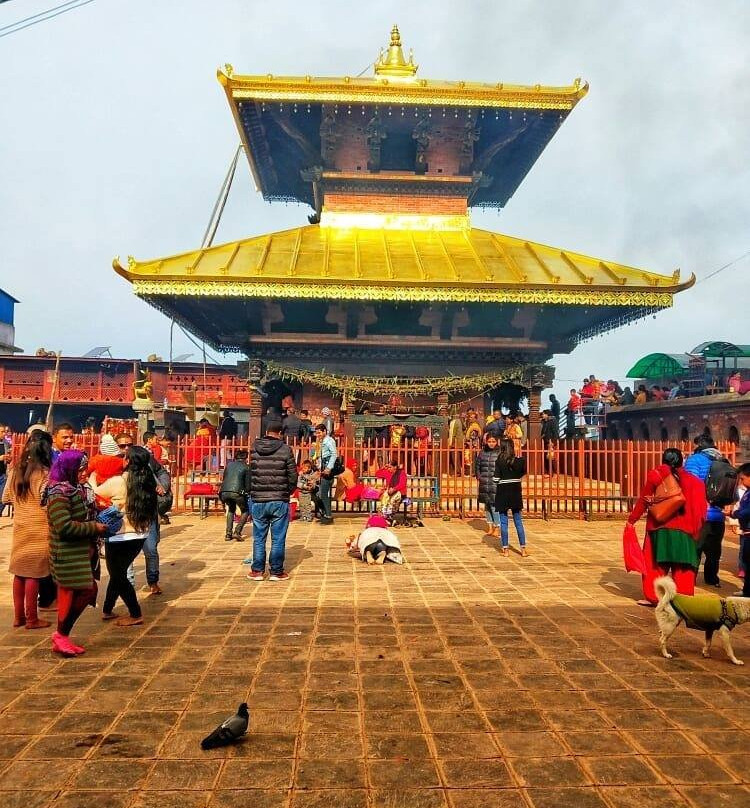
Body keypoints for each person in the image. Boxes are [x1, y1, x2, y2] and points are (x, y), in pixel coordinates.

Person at [46, 450, 109, 655]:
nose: (84, 473)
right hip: (67, 554)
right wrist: (93, 527)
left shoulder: (75, 489)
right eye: (80, 469)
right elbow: (63, 526)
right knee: (86, 591)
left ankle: (62, 635)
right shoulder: (59, 493)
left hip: (79, 553)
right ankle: (61, 634)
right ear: (69, 470)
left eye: (85, 469)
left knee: (79, 592)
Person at [628, 447, 707, 606]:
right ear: (682, 461)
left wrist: (632, 520)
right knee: (684, 567)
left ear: (663, 460)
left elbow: (644, 500)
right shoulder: (696, 482)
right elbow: (701, 510)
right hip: (685, 531)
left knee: (655, 566)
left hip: (659, 528)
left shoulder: (656, 476)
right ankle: (684, 600)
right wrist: (697, 530)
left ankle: (653, 596)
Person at [94, 446, 157, 625]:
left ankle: (135, 613)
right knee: (118, 572)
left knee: (118, 575)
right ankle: (107, 609)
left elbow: (95, 493)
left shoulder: (118, 482)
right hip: (139, 534)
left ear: (128, 461)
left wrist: (92, 478)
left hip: (119, 535)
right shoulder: (148, 482)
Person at [3, 430, 53, 629]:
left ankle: (18, 617)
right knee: (34, 574)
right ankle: (32, 618)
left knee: (20, 572)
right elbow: (46, 502)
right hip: (40, 527)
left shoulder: (16, 470)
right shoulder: (44, 474)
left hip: (20, 527)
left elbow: (5, 498)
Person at [246, 419, 298, 582]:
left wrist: (252, 492)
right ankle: (276, 571)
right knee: (278, 537)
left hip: (258, 499)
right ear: (280, 433)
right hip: (279, 500)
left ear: (266, 431)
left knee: (259, 537)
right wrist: (286, 492)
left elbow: (250, 473)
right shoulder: (285, 450)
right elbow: (292, 476)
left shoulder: (254, 448)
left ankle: (257, 571)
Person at [684, 434, 728, 587]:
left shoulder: (694, 460)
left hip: (700, 513)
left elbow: (689, 485)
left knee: (695, 548)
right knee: (714, 551)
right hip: (718, 515)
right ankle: (712, 579)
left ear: (700, 444)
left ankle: (689, 578)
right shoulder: (723, 460)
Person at [493, 438, 528, 557]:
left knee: (503, 522)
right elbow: (523, 473)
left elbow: (495, 479)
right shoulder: (520, 460)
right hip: (515, 492)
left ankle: (506, 550)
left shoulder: (499, 461)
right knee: (518, 521)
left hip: (502, 492)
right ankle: (523, 549)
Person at [219, 449, 251, 541]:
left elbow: (225, 478)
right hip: (237, 492)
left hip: (224, 492)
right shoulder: (246, 467)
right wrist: (247, 492)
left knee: (231, 510)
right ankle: (237, 531)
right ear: (246, 458)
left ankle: (228, 534)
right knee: (245, 511)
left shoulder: (229, 465)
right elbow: (248, 484)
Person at [475, 434, 501, 537]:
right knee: (487, 506)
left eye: (493, 441)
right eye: (489, 441)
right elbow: (477, 466)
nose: (491, 444)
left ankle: (497, 527)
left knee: (494, 506)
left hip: (495, 482)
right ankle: (490, 527)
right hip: (484, 481)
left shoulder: (499, 453)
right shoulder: (482, 453)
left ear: (496, 442)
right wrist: (479, 476)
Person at [314, 423, 337, 525]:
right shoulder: (321, 441)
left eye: (319, 432)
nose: (317, 435)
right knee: (321, 493)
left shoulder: (329, 441)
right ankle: (325, 514)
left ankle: (328, 515)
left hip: (328, 469)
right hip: (323, 468)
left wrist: (329, 467)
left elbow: (334, 454)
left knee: (324, 494)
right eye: (316, 433)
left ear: (324, 431)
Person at [733, 465, 750, 597]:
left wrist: (736, 513)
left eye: (743, 478)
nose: (741, 482)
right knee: (746, 563)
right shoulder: (747, 493)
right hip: (746, 531)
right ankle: (747, 591)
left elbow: (746, 511)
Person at [540, 409, 559, 474]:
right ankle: (549, 471)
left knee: (551, 457)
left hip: (551, 441)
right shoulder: (545, 422)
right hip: (546, 441)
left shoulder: (553, 421)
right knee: (547, 457)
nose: (542, 415)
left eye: (543, 414)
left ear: (547, 414)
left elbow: (555, 432)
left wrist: (553, 441)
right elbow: (544, 432)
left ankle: (553, 471)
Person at [0, 423, 8, 515]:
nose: (4, 434)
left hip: (2, 475)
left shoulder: (5, 444)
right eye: (2, 432)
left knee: (3, 498)